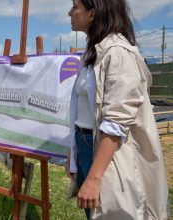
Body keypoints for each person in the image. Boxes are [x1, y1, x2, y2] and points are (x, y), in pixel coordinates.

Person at [65, 0, 170, 219]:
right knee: (94, 212)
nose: (70, 12)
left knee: (112, 213)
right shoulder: (93, 54)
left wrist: (94, 178)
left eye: (75, 6)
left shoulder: (118, 53)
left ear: (92, 13)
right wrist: (74, 153)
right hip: (87, 146)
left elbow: (116, 122)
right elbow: (84, 113)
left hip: (108, 153)